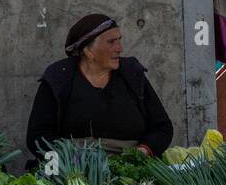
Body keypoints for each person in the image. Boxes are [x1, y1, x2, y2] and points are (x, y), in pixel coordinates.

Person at [26, 12, 173, 161]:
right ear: (89, 51)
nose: (119, 48)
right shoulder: (59, 78)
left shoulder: (132, 74)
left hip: (130, 166)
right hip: (74, 167)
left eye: (119, 40)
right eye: (111, 42)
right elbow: (37, 136)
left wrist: (141, 152)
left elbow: (162, 128)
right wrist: (71, 161)